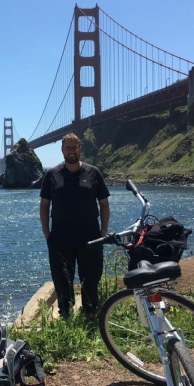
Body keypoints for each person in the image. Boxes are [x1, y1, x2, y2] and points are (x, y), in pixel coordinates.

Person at [39, 132, 110, 319]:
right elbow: (44, 205)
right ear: (62, 150)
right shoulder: (51, 174)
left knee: (91, 277)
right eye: (68, 148)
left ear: (80, 148)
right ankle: (66, 314)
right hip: (60, 236)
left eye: (75, 147)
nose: (71, 151)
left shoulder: (93, 172)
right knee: (62, 278)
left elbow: (104, 203)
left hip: (90, 235)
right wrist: (47, 233)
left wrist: (103, 231)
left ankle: (90, 312)